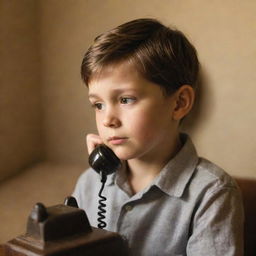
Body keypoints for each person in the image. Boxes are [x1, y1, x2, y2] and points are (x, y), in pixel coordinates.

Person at [73, 18, 244, 256]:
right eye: (98, 105)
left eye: (125, 100)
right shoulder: (90, 184)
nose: (107, 120)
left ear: (179, 103)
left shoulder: (212, 194)